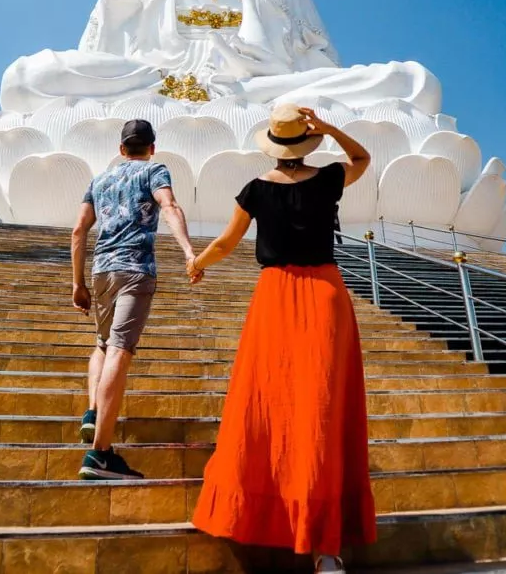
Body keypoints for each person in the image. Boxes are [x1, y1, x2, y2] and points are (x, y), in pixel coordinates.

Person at [188, 104, 377, 573]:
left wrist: (197, 263)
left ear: (272, 144)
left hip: (274, 295)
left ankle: (259, 517)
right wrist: (331, 128)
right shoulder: (330, 177)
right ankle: (325, 548)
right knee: (322, 408)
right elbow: (363, 159)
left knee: (265, 401)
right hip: (326, 292)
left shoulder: (255, 190)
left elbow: (226, 243)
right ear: (307, 142)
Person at [70, 118, 196, 480]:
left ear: (122, 149)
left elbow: (79, 230)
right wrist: (188, 251)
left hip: (102, 271)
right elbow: (169, 206)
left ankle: (93, 411)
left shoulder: (100, 180)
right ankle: (100, 455)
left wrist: (78, 284)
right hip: (135, 270)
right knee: (120, 351)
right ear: (152, 148)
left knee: (102, 344)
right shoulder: (155, 170)